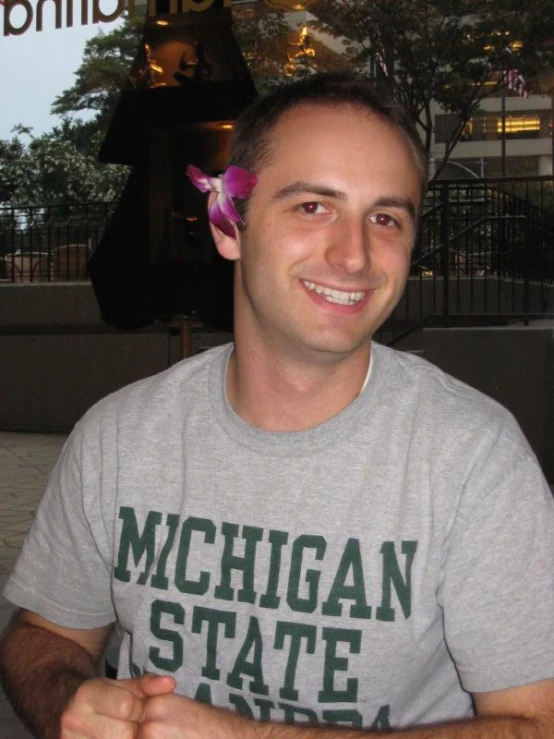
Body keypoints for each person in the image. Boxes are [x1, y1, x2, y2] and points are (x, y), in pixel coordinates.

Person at [1, 73, 554, 739]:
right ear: (228, 223)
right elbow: (42, 634)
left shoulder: (475, 457)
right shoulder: (117, 437)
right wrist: (70, 698)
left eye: (385, 218)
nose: (354, 255)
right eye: (313, 206)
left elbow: (534, 722)